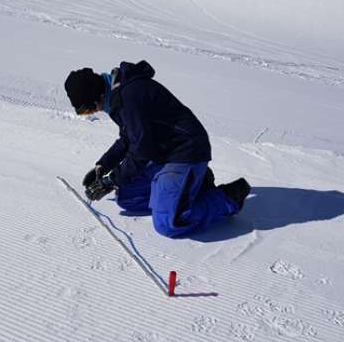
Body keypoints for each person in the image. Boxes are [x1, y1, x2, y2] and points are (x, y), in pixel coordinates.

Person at [64, 60, 250, 237]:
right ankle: (194, 185)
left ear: (98, 96)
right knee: (127, 198)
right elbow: (129, 138)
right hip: (165, 153)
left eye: (89, 109)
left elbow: (141, 150)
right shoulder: (118, 95)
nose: (94, 113)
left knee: (168, 223)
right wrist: (102, 166)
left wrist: (111, 180)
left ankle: (228, 198)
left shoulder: (128, 98)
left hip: (186, 151)